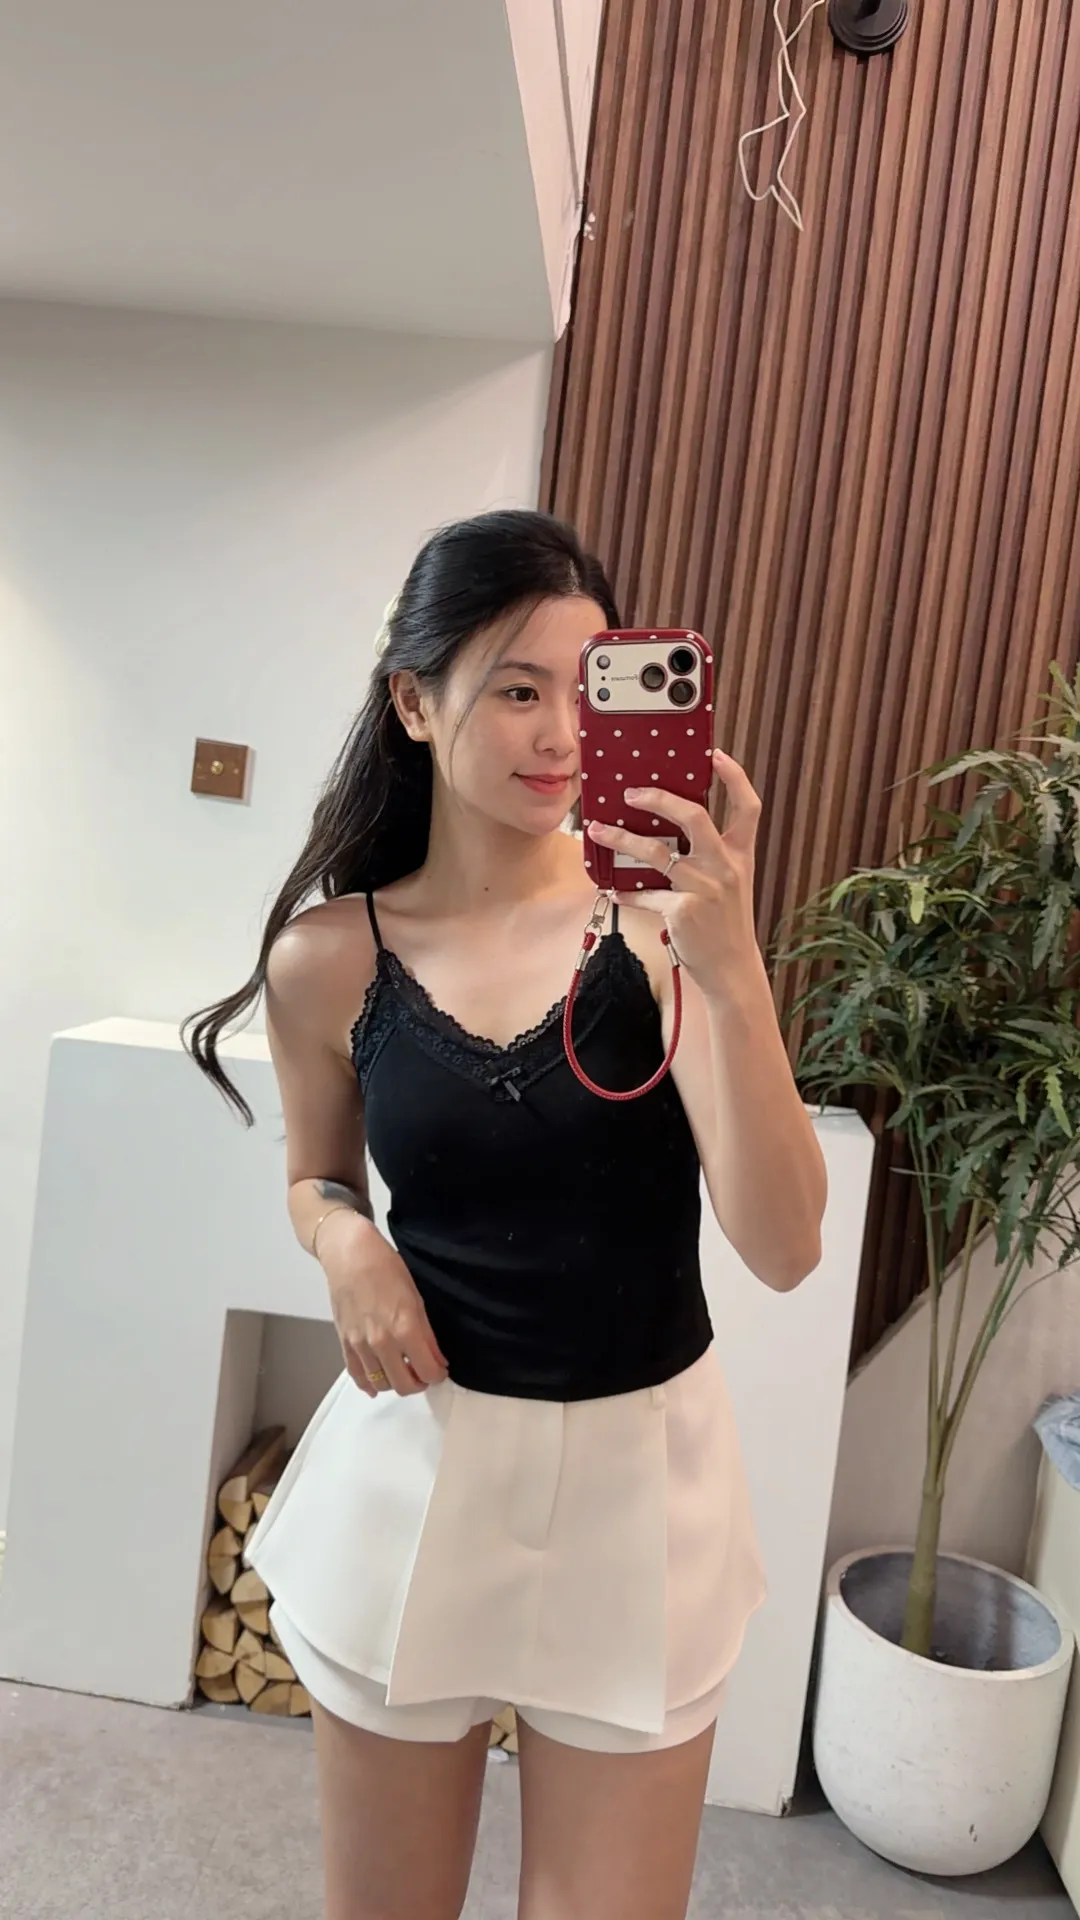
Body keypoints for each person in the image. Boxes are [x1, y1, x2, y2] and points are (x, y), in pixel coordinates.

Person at [183, 509, 827, 1920]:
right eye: (516, 688)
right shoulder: (328, 959)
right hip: (417, 1472)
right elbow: (315, 1176)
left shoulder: (666, 939)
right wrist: (344, 1238)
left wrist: (733, 968)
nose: (563, 734)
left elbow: (786, 1248)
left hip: (642, 1495)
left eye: (587, 688)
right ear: (414, 703)